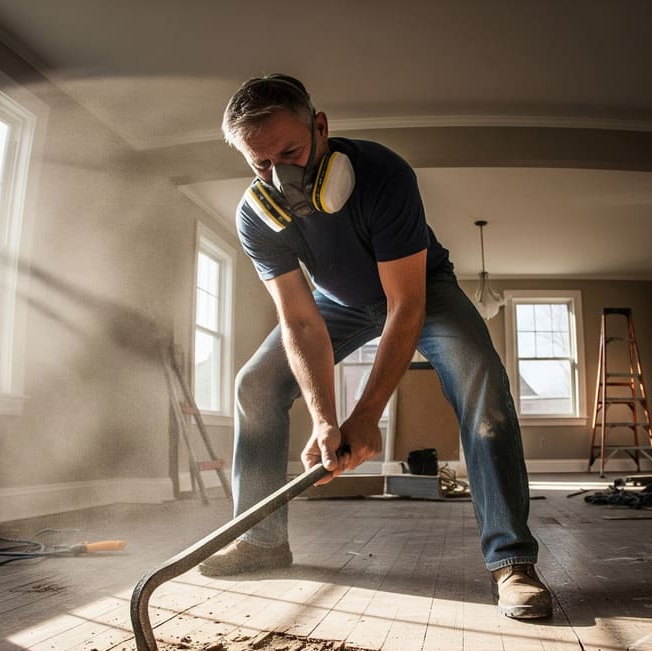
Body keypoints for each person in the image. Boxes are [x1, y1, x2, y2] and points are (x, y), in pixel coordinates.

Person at [198, 74, 552, 620]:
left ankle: (512, 561)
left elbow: (404, 307)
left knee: (480, 377)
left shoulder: (383, 174)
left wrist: (364, 416)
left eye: (291, 152)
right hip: (335, 302)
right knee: (256, 384)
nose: (280, 174)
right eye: (261, 164)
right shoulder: (257, 216)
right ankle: (262, 541)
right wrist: (324, 418)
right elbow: (299, 321)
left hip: (423, 289)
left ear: (321, 127)